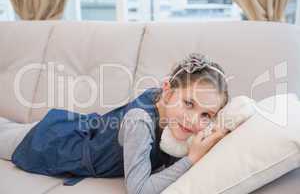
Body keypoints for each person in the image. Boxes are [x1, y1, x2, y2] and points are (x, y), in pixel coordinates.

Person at [0, 53, 230, 194]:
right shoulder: (139, 122)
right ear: (167, 91)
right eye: (189, 103)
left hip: (81, 128)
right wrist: (192, 159)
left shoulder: (169, 108)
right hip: (55, 143)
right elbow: (139, 190)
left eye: (206, 115)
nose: (193, 120)